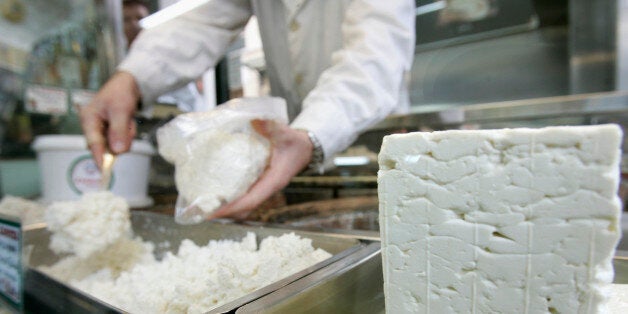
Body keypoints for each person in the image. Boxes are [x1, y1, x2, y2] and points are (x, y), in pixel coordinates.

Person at [80, 0, 416, 220]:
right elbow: (202, 19)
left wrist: (313, 133)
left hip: (374, 148)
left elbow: (376, 57)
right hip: (290, 150)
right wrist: (131, 78)